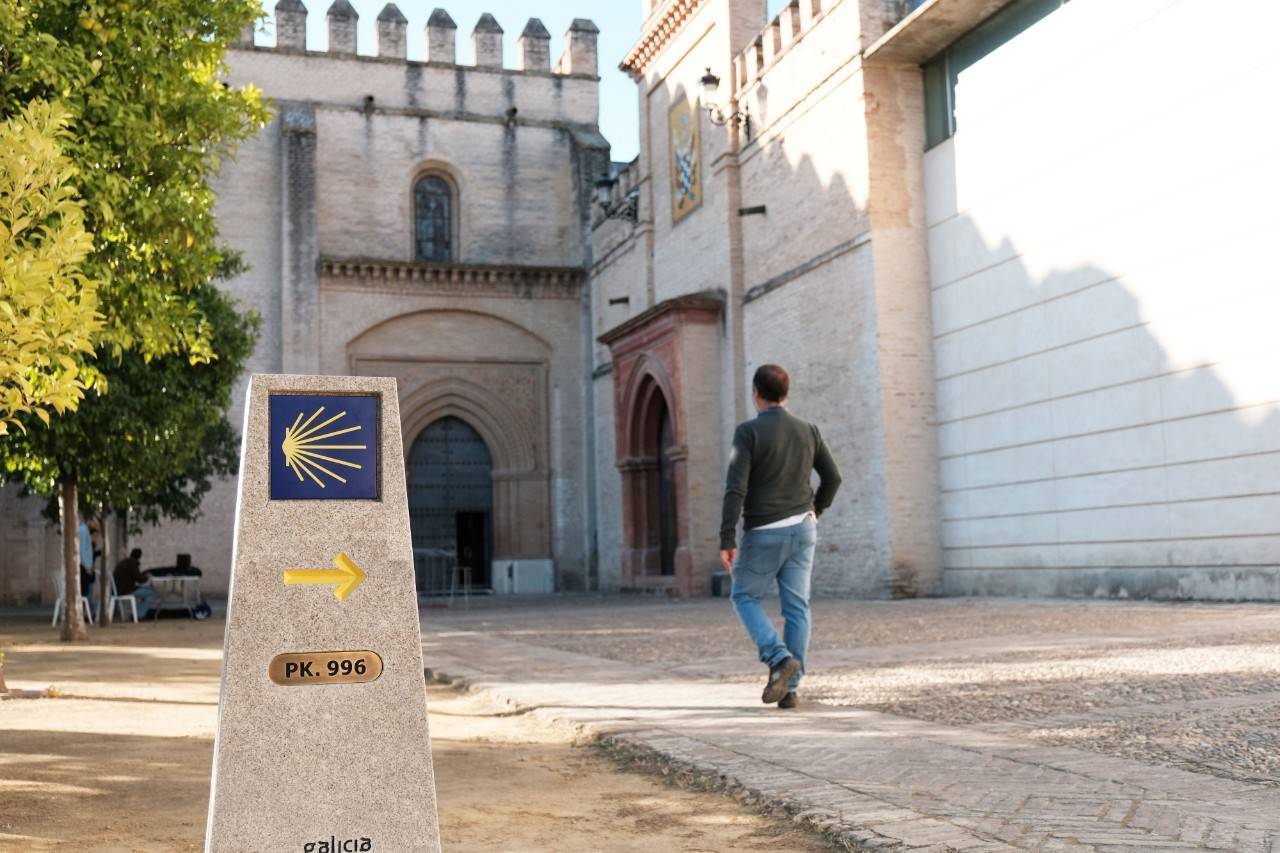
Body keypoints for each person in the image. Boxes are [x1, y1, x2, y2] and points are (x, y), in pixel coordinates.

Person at [719, 364, 842, 709]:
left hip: (764, 531)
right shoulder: (809, 430)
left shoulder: (747, 433)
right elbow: (833, 478)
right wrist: (815, 511)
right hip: (804, 529)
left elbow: (735, 488)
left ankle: (777, 658)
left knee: (743, 596)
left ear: (756, 392)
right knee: (797, 606)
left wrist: (727, 538)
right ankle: (790, 688)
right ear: (785, 394)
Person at [114, 548, 157, 620]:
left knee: (148, 590)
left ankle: (137, 612)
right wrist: (147, 577)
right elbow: (140, 579)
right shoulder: (133, 563)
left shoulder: (125, 562)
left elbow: (135, 576)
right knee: (153, 592)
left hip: (120, 589)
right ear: (139, 557)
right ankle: (138, 615)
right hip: (127, 590)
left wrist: (142, 575)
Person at [78, 520, 95, 613]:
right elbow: (83, 550)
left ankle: (86, 612)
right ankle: (85, 613)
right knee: (84, 592)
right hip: (84, 567)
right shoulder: (83, 531)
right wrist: (87, 566)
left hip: (84, 566)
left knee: (86, 592)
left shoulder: (83, 530)